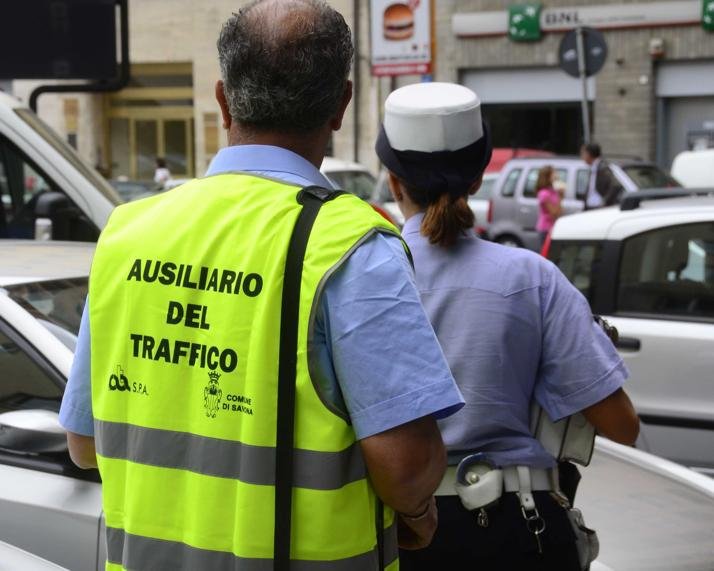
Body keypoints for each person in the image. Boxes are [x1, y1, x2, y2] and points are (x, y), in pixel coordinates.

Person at [59, 2, 465, 569]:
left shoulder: (128, 233)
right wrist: (418, 516)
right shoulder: (349, 246)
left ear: (223, 100)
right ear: (341, 106)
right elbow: (407, 467)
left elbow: (84, 445)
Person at [376, 82, 640, 570]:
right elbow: (623, 425)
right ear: (479, 179)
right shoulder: (532, 278)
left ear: (392, 181)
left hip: (402, 536)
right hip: (523, 530)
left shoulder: (365, 279)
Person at [581, 142, 620, 208]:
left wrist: (605, 202)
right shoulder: (593, 167)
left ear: (589, 154)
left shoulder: (603, 167)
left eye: (583, 153)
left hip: (599, 208)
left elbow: (615, 186)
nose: (582, 157)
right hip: (590, 207)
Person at [535, 165, 562, 245]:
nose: (556, 175)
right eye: (554, 173)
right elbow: (554, 213)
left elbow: (559, 211)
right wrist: (560, 197)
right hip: (545, 229)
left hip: (553, 228)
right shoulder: (544, 193)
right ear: (547, 176)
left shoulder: (553, 191)